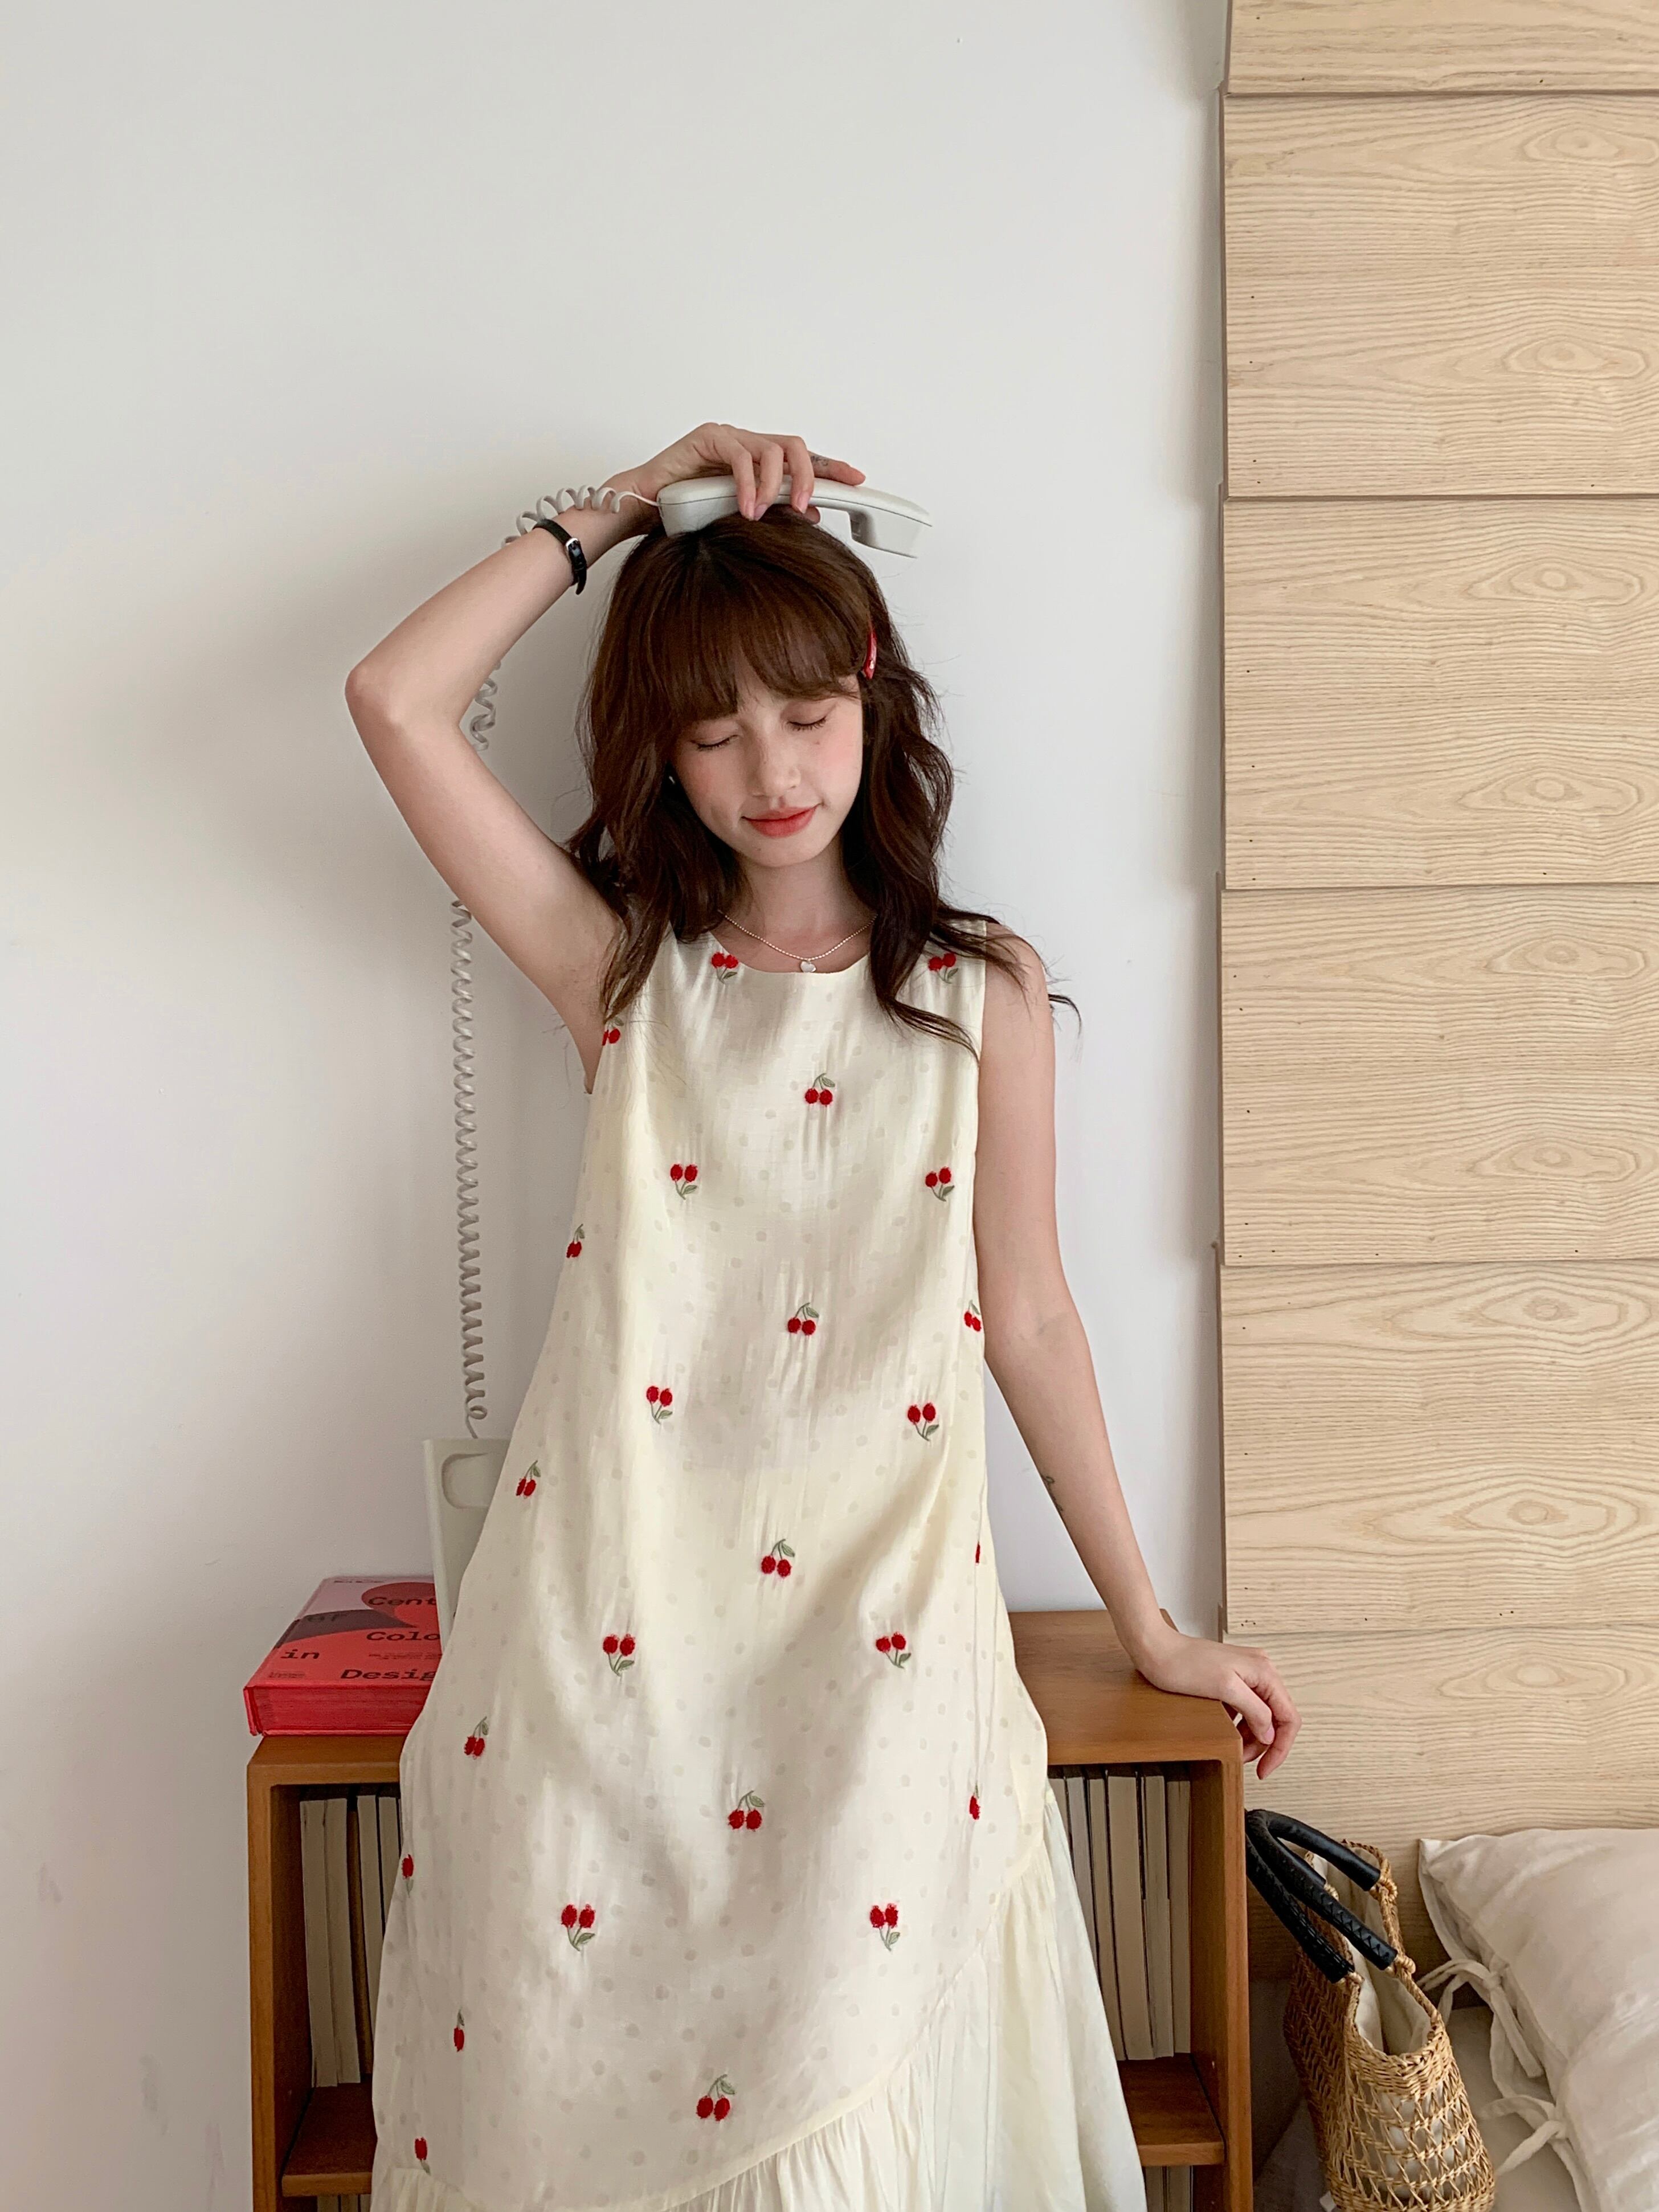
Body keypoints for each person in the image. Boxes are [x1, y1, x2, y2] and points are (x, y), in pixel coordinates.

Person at [344, 420, 1300, 2212]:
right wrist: (631, 503)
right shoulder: (625, 970)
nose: (771, 769)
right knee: (561, 2093)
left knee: (850, 2095)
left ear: (871, 688)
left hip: (877, 1645)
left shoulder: (973, 993)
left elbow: (1030, 1317)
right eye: (713, 731)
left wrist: (1153, 1624)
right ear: (661, 750)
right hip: (599, 1644)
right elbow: (394, 701)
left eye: (802, 711)